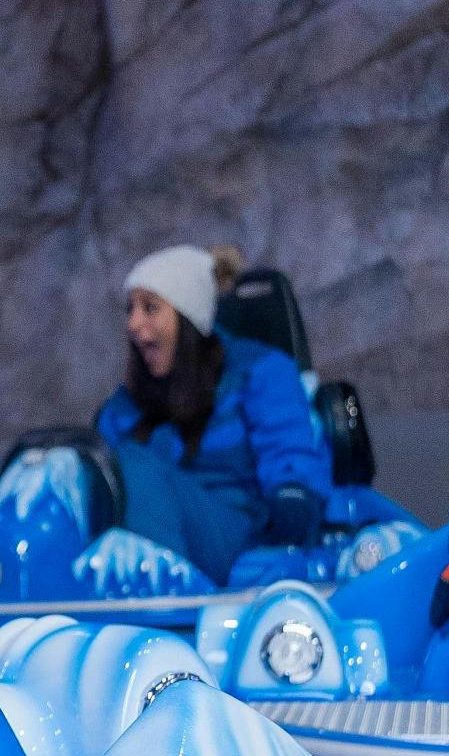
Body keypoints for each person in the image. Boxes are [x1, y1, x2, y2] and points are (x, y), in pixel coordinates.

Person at [90, 245, 333, 581]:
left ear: (188, 314)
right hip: (140, 542)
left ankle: (164, 604)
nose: (133, 323)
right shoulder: (126, 404)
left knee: (130, 466)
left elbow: (289, 454)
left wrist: (292, 499)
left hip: (238, 536)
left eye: (150, 308)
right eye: (129, 309)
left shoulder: (257, 372)